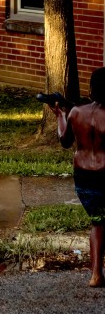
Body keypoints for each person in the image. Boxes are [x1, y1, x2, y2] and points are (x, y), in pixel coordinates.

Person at [53, 67, 105, 287]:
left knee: (99, 222)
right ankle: (96, 274)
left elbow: (64, 141)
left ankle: (96, 274)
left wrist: (60, 116)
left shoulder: (75, 112)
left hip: (82, 177)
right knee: (101, 223)